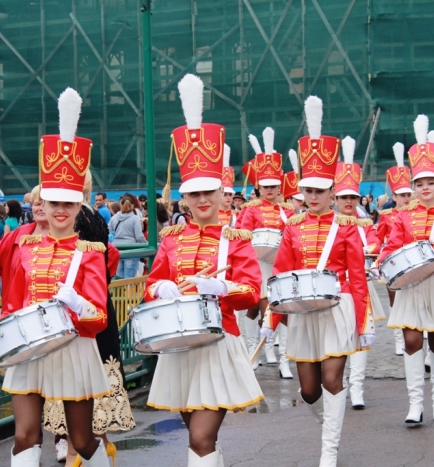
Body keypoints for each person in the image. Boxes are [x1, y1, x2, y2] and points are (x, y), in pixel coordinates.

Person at [0, 88, 112, 467]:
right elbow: (8, 283)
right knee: (25, 434)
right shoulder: (24, 244)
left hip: (74, 349)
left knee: (82, 439)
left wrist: (76, 303)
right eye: (52, 202)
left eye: (68, 203)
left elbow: (98, 319)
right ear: (40, 204)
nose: (60, 210)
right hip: (29, 346)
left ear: (80, 205)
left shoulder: (91, 253)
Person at [144, 74, 262, 467]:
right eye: (194, 193)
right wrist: (160, 290)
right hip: (178, 347)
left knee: (199, 436)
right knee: (196, 435)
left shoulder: (237, 236)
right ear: (185, 197)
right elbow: (151, 284)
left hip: (217, 343)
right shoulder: (172, 237)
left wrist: (221, 285)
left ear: (220, 193)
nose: (202, 199)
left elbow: (251, 293)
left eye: (209, 192)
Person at [262, 96, 374, 467]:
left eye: (319, 191)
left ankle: (329, 453)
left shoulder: (347, 227)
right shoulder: (292, 229)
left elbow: (357, 278)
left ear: (332, 193)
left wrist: (364, 322)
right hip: (303, 313)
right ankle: (331, 426)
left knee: (330, 379)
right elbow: (280, 276)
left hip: (337, 308)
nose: (311, 197)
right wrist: (272, 318)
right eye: (307, 191)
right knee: (309, 391)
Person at [376, 114, 434, 426]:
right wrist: (380, 265)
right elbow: (392, 245)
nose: (425, 188)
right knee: (412, 342)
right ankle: (415, 404)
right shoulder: (402, 216)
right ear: (413, 187)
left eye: (431, 183)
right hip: (411, 285)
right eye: (420, 183)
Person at [42, 177, 135, 466]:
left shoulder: (71, 217)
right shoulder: (96, 214)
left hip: (74, 303)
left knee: (75, 377)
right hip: (98, 299)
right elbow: (110, 255)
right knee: (98, 372)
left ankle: (76, 452)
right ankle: (101, 444)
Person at [237, 128, 294, 376]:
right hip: (257, 265)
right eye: (265, 186)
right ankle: (254, 349)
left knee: (281, 308)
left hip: (280, 265)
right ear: (259, 187)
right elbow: (242, 236)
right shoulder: (250, 210)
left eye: (273, 186)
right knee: (255, 309)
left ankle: (283, 359)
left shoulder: (288, 211)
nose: (270, 191)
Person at [333, 137, 385, 410]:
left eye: (353, 197)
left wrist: (366, 248)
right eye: (344, 197)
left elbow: (375, 244)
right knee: (339, 337)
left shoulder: (365, 224)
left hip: (361, 285)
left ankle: (358, 388)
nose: (349, 201)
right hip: (337, 290)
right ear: (336, 199)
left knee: (362, 334)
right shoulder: (329, 226)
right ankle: (336, 385)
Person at [377, 143, 415, 356]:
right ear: (394, 197)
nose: (406, 199)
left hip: (415, 263)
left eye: (408, 194)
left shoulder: (417, 214)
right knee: (395, 301)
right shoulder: (386, 216)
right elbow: (379, 237)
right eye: (401, 195)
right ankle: (399, 338)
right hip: (393, 263)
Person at [108, 196, 146, 278]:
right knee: (129, 278)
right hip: (131, 249)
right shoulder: (135, 219)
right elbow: (139, 236)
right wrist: (146, 244)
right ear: (132, 205)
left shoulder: (113, 218)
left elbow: (109, 232)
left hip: (116, 249)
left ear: (120, 205)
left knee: (118, 278)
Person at [219, 144, 236, 226]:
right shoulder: (212, 215)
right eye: (225, 194)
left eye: (230, 194)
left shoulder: (237, 214)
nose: (228, 197)